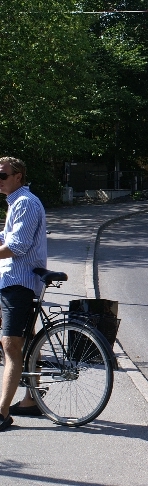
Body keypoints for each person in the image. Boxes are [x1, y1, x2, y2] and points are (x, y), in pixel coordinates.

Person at [0, 157, 47, 431]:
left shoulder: (26, 203)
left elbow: (17, 247)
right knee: (27, 341)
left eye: (2, 175)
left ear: (18, 176)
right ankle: (31, 400)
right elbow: (9, 238)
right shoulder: (16, 203)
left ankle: (2, 413)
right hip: (11, 281)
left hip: (20, 282)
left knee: (11, 345)